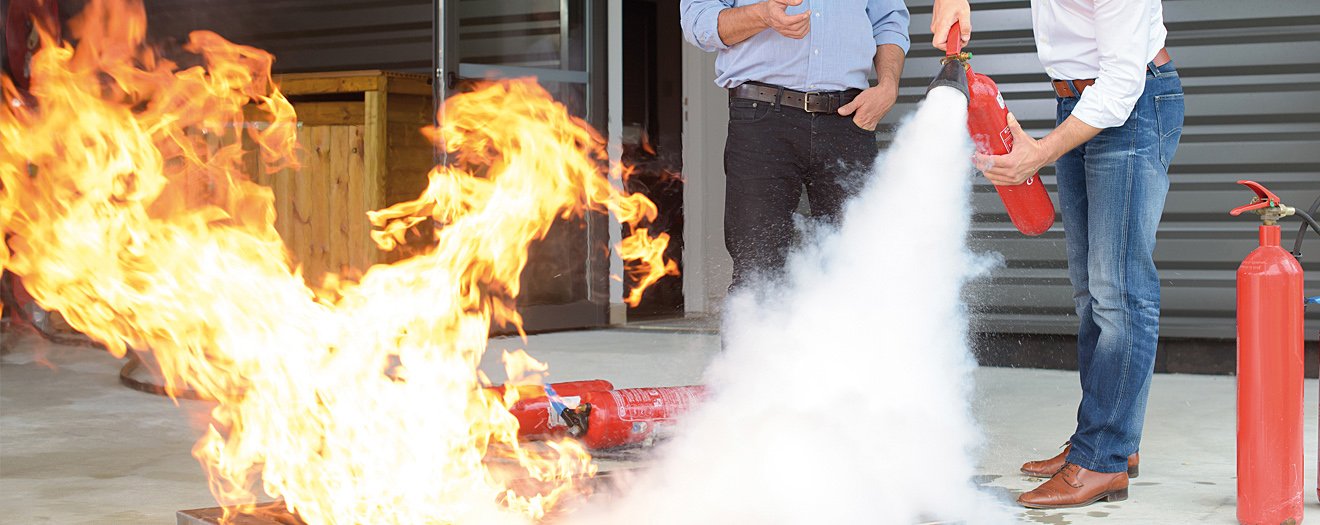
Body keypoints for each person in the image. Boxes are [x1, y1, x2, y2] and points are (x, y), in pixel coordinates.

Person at [933, 0, 1184, 509]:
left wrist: (1042, 151)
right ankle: (1109, 436)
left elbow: (1119, 85)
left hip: (1131, 103)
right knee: (1091, 291)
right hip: (1075, 101)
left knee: (1120, 292)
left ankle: (1102, 459)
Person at [679, 0, 909, 290]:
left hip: (850, 119)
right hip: (762, 118)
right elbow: (698, 21)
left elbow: (889, 20)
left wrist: (888, 85)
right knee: (758, 269)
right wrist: (762, 15)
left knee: (859, 263)